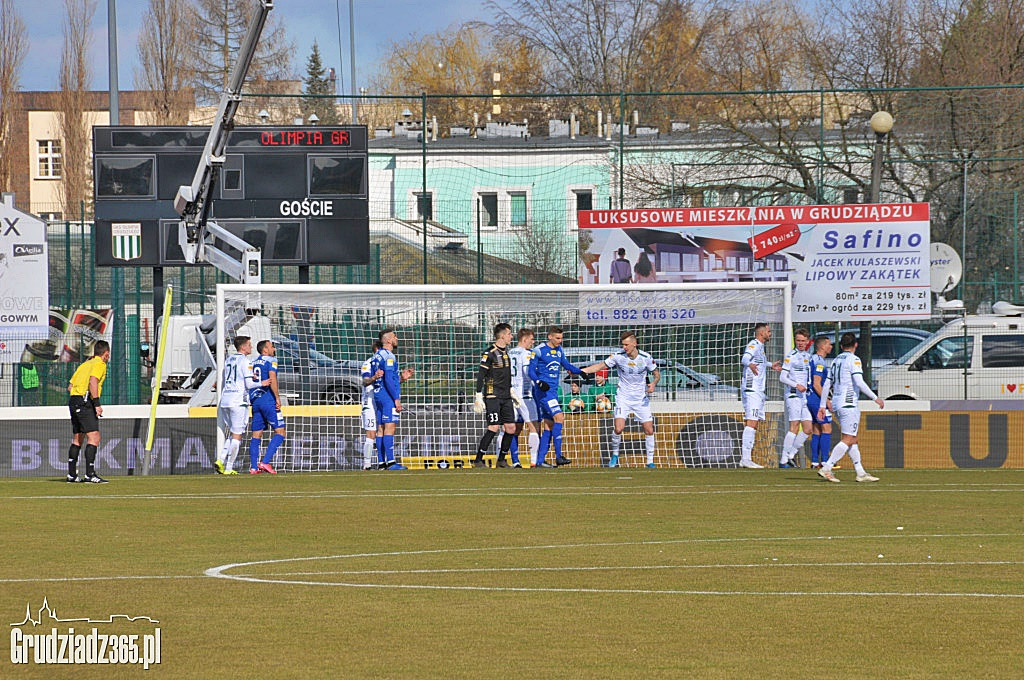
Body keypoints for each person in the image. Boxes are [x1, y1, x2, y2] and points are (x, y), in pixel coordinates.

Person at [580, 331, 660, 468]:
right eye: (623, 345)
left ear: (635, 344)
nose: (624, 347)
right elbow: (601, 366)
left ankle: (650, 462)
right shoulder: (618, 356)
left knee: (649, 430)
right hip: (623, 397)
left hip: (640, 399)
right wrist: (583, 371)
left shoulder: (646, 357)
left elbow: (656, 374)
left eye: (627, 344)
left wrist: (653, 383)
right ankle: (615, 455)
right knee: (618, 428)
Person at [816, 332, 884, 483]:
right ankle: (827, 467)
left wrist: (822, 405)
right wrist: (875, 398)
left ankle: (860, 472)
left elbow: (827, 384)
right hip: (848, 403)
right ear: (855, 345)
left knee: (853, 438)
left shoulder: (835, 361)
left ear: (841, 346)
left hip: (837, 403)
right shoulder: (854, 360)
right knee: (848, 438)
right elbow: (859, 382)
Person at [529, 325, 591, 467]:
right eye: (557, 338)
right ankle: (558, 456)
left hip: (553, 391)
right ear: (550, 337)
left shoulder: (559, 351)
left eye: (561, 338)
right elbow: (530, 370)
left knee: (549, 426)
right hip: (544, 392)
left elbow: (567, 365)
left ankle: (540, 461)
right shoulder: (538, 350)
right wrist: (538, 382)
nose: (560, 341)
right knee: (559, 417)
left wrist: (581, 373)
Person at [473, 323, 523, 468]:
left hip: (506, 396)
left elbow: (505, 375)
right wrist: (478, 395)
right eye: (509, 334)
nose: (511, 336)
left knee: (511, 428)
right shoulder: (489, 353)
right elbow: (481, 375)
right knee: (494, 427)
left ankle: (501, 459)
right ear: (502, 336)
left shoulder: (506, 353)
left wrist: (511, 392)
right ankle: (478, 459)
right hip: (493, 396)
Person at [215, 336, 267, 475]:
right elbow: (249, 385)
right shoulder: (245, 361)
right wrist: (262, 383)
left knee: (233, 433)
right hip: (238, 401)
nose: (251, 347)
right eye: (249, 345)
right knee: (237, 436)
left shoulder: (229, 360)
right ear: (243, 347)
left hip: (225, 400)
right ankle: (229, 467)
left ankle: (220, 460)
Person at [66, 340, 112, 483]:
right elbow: (93, 381)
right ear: (106, 354)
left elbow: (70, 387)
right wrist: (96, 404)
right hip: (85, 402)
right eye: (108, 355)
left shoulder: (85, 364)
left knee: (78, 439)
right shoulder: (99, 364)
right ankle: (90, 474)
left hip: (74, 401)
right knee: (94, 437)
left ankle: (72, 475)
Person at [739, 323, 783, 469]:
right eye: (769, 331)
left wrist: (771, 365)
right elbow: (745, 358)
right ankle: (745, 458)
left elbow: (759, 361)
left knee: (754, 422)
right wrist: (749, 364)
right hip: (752, 389)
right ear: (762, 333)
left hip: (757, 390)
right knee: (751, 422)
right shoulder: (754, 344)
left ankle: (747, 458)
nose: (770, 334)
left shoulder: (760, 347)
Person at [373, 329, 415, 470]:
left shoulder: (377, 356)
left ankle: (381, 463)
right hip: (387, 397)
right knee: (390, 427)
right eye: (395, 336)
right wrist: (396, 399)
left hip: (378, 395)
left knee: (381, 429)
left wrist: (402, 378)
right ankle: (391, 463)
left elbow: (384, 378)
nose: (397, 338)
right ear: (389, 340)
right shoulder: (389, 356)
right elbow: (389, 380)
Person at [248, 339, 286, 474]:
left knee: (256, 435)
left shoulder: (252, 362)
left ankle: (253, 467)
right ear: (265, 350)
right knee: (280, 432)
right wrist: (277, 397)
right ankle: (265, 462)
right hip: (268, 400)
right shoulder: (271, 360)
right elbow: (272, 378)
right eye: (271, 346)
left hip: (255, 401)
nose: (274, 349)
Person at [505, 328, 541, 467]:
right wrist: (537, 382)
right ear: (524, 339)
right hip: (524, 396)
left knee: (510, 429)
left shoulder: (509, 353)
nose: (533, 342)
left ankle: (514, 461)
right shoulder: (526, 354)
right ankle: (533, 461)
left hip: (510, 395)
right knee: (534, 427)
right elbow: (527, 372)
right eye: (531, 339)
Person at [778, 328, 813, 468]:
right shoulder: (791, 356)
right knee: (794, 426)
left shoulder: (807, 356)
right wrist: (796, 385)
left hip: (804, 396)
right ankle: (783, 461)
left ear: (807, 342)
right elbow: (782, 377)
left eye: (803, 341)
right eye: (798, 340)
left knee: (808, 429)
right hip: (793, 395)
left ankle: (791, 455)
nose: (800, 343)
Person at [806, 336, 834, 469]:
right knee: (827, 428)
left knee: (817, 429)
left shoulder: (812, 358)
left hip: (810, 398)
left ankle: (815, 461)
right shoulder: (819, 361)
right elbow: (817, 384)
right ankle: (825, 461)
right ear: (822, 346)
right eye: (829, 344)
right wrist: (826, 401)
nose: (831, 347)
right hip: (816, 399)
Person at [360, 340, 384, 470]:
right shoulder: (368, 364)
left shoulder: (386, 363)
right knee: (371, 433)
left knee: (384, 431)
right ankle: (367, 465)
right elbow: (365, 382)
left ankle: (383, 463)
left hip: (382, 401)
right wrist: (374, 377)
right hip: (369, 402)